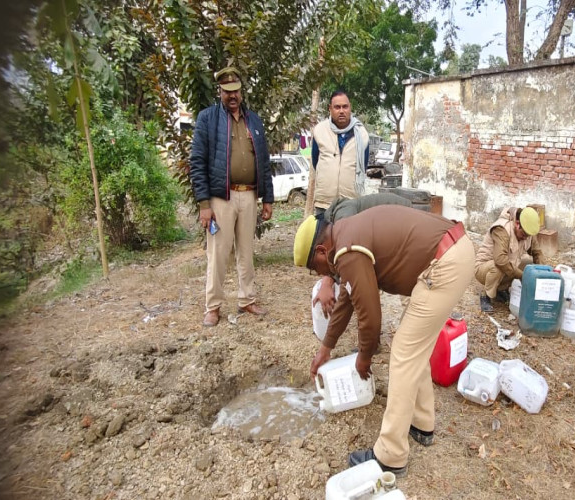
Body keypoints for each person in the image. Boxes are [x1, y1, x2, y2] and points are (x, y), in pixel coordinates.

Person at [293, 205, 474, 477]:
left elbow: (370, 315)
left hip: (445, 263)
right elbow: (348, 299)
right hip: (455, 251)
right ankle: (422, 422)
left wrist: (364, 356)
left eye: (313, 268)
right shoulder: (346, 236)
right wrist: (326, 347)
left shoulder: (347, 251)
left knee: (404, 351)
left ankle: (390, 455)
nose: (319, 274)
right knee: (414, 347)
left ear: (321, 251)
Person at [189, 66, 274, 327]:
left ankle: (247, 299)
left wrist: (268, 198)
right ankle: (213, 306)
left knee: (246, 252)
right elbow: (197, 162)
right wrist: (204, 204)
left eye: (236, 90)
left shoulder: (254, 121)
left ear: (241, 91)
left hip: (248, 196)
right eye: (227, 91)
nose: (232, 95)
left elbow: (264, 161)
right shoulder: (208, 119)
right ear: (220, 92)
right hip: (220, 198)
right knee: (218, 254)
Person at [309, 91, 371, 315]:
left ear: (350, 108)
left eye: (345, 106)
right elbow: (316, 161)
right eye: (337, 107)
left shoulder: (362, 134)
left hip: (350, 202)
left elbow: (364, 165)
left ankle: (345, 291)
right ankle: (326, 289)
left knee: (346, 248)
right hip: (325, 200)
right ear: (330, 109)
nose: (342, 111)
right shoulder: (319, 131)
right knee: (324, 248)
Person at [474, 207, 544, 312]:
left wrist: (543, 274)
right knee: (498, 267)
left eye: (528, 236)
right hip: (483, 268)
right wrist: (522, 276)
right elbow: (500, 260)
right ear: (517, 224)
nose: (525, 238)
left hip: (506, 264)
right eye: (524, 235)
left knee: (529, 265)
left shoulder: (527, 231)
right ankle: (486, 296)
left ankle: (501, 289)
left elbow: (537, 252)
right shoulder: (502, 229)